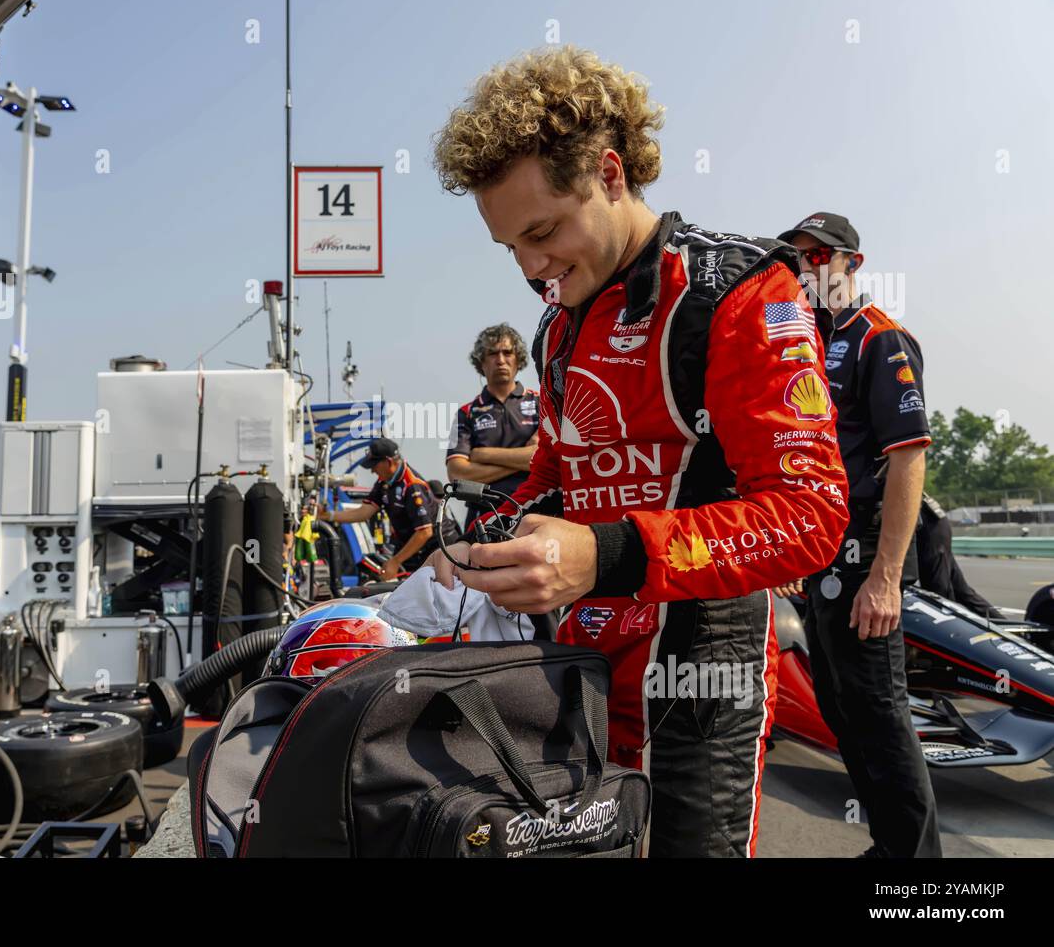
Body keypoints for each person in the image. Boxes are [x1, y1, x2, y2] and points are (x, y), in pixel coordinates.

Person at [427, 47, 849, 857]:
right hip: (573, 668)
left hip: (697, 677)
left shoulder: (739, 289)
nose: (532, 269)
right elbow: (556, 473)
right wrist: (481, 544)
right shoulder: (559, 325)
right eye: (509, 247)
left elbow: (811, 519)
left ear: (610, 174)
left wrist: (605, 552)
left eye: (544, 232)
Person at [775, 210, 941, 858]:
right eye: (797, 259)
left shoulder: (882, 339)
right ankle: (892, 844)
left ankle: (917, 868)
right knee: (841, 711)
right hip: (821, 554)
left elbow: (908, 458)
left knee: (880, 714)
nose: (807, 269)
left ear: (852, 264)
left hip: (867, 555)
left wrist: (886, 577)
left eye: (820, 256)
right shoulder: (805, 340)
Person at [319, 438, 458, 581]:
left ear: (389, 462)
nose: (372, 470)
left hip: (441, 547)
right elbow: (364, 511)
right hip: (416, 548)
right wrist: (328, 516)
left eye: (374, 465)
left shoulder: (411, 485)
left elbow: (424, 532)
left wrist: (395, 561)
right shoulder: (384, 482)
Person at [446, 323, 540, 531]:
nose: (501, 360)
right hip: (483, 517)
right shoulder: (465, 413)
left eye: (507, 352)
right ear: (481, 361)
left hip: (535, 512)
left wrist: (482, 454)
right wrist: (521, 460)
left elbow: (540, 457)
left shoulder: (542, 403)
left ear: (518, 359)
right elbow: (456, 475)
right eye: (492, 353)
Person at [916, 493, 1001, 619]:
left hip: (928, 527)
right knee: (961, 592)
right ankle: (1006, 629)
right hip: (929, 524)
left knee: (937, 596)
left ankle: (947, 634)